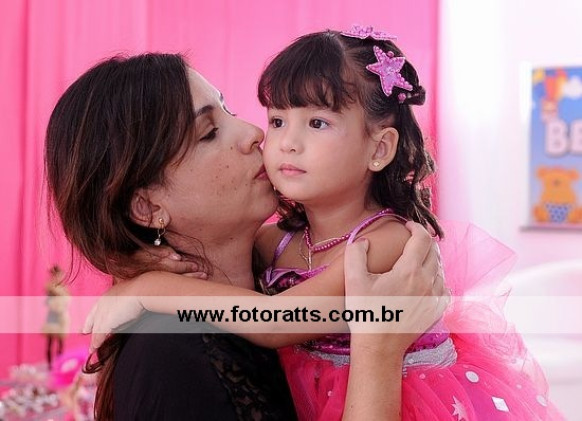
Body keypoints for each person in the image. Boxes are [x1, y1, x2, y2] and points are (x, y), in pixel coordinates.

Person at [85, 27, 564, 420]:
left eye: (316, 123)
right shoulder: (272, 247)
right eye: (278, 120)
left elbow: (275, 322)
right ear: (146, 207)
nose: (273, 140)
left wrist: (147, 289)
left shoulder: (381, 245)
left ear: (379, 148)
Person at [45, 52, 446, 420]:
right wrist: (378, 351)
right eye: (209, 133)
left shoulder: (351, 247)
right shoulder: (170, 354)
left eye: (229, 110)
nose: (255, 133)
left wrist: (145, 286)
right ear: (147, 208)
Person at [41, 265, 70, 370]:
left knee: (60, 343)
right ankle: (50, 366)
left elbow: (67, 302)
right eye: (57, 275)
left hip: (61, 317)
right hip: (52, 316)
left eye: (60, 275)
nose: (59, 277)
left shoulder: (64, 289)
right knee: (50, 342)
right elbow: (47, 302)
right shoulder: (50, 288)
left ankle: (59, 364)